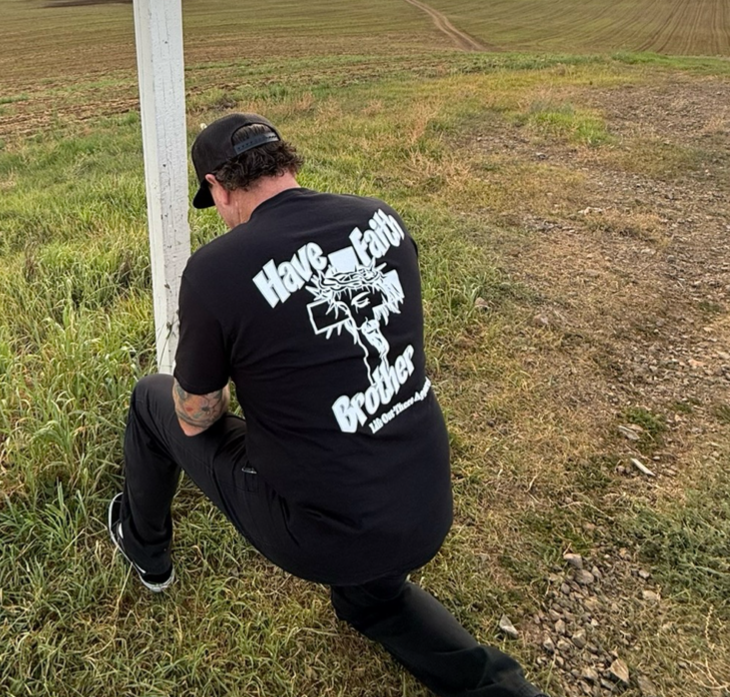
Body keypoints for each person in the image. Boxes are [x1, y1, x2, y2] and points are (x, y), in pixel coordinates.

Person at [108, 112, 550, 697]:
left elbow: (197, 418)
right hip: (423, 499)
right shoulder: (379, 217)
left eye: (212, 202)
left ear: (217, 185)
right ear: (286, 163)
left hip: (319, 531)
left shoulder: (217, 270)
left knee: (150, 400)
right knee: (374, 596)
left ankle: (147, 553)